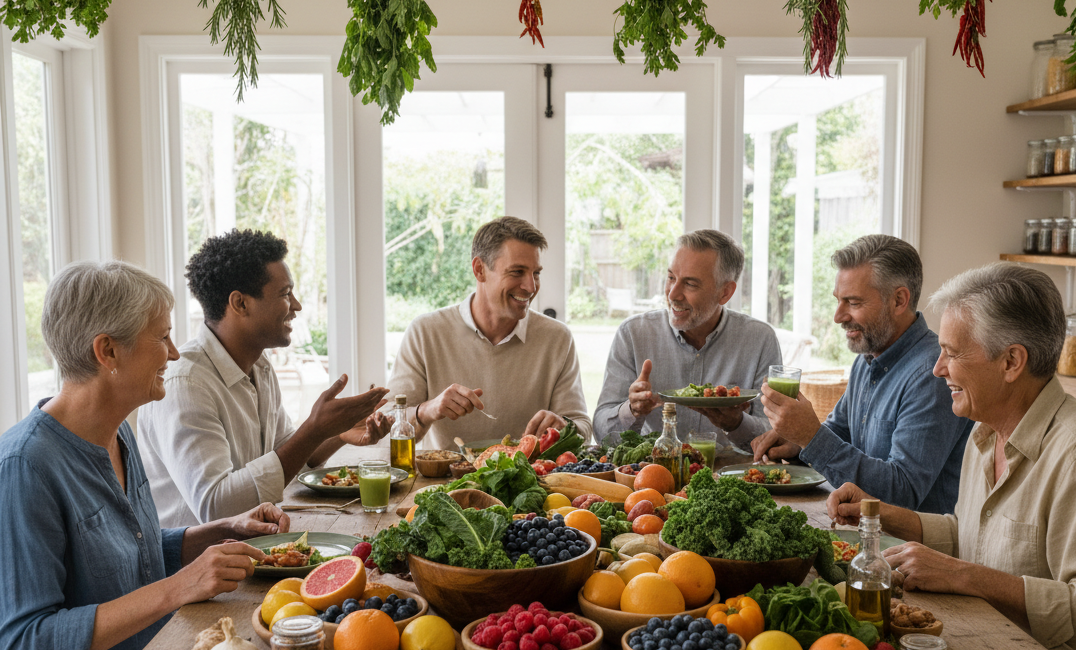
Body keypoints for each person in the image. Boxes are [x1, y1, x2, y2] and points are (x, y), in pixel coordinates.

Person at [0, 261, 289, 650]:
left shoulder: (118, 433)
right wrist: (179, 587)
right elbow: (25, 645)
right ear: (107, 351)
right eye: (163, 337)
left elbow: (122, 552)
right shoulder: (24, 467)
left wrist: (220, 532)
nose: (175, 353)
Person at [827, 262, 1076, 650]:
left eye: (951, 353)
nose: (938, 369)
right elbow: (975, 532)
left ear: (1011, 362)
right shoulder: (985, 431)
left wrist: (966, 577)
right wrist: (882, 516)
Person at [139, 230, 390, 529]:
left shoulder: (259, 364)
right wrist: (313, 430)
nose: (296, 306)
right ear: (240, 304)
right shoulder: (186, 384)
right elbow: (216, 507)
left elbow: (287, 454)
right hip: (200, 565)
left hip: (256, 549)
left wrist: (334, 431)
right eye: (285, 294)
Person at [753, 234, 971, 513]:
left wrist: (810, 436)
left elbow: (902, 493)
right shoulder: (868, 357)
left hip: (909, 550)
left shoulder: (932, 374)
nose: (838, 316)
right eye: (838, 301)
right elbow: (840, 433)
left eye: (853, 303)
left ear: (899, 300)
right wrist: (796, 442)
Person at [387, 217, 591, 451]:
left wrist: (564, 426)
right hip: (445, 485)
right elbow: (385, 426)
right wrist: (428, 410)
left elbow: (582, 427)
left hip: (530, 483)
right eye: (517, 272)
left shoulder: (557, 338)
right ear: (479, 269)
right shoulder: (425, 332)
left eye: (536, 273)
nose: (530, 287)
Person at [594, 230, 782, 449]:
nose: (673, 294)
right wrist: (632, 411)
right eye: (671, 278)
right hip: (653, 475)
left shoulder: (759, 340)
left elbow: (776, 436)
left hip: (730, 476)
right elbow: (601, 434)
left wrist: (736, 423)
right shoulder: (633, 334)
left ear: (725, 292)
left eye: (690, 284)